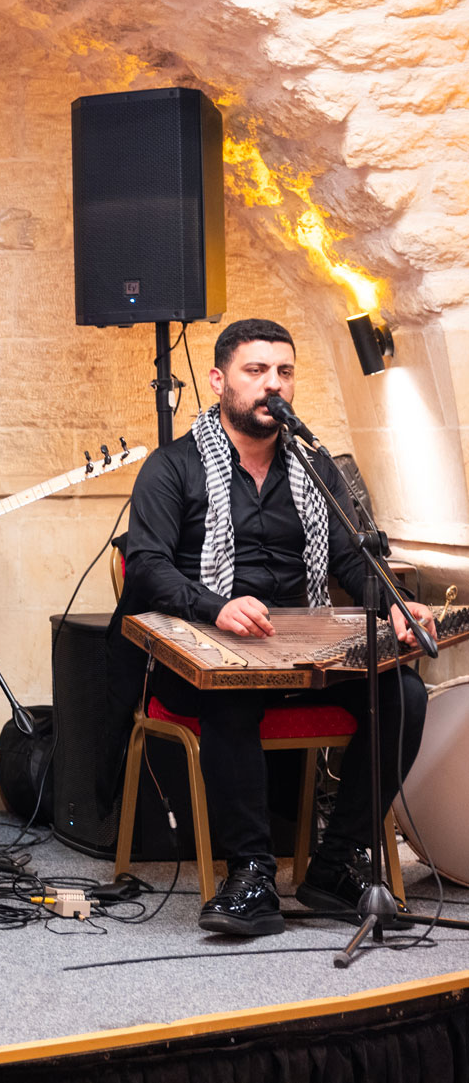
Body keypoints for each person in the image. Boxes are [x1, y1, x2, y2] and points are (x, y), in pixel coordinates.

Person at [112, 317, 432, 937]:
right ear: (219, 381)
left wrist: (393, 602)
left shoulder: (315, 467)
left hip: (306, 656)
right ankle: (252, 875)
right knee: (231, 696)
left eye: (284, 372)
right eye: (256, 370)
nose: (273, 384)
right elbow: (146, 566)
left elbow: (352, 561)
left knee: (403, 694)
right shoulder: (172, 467)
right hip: (205, 656)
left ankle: (334, 864)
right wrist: (214, 606)